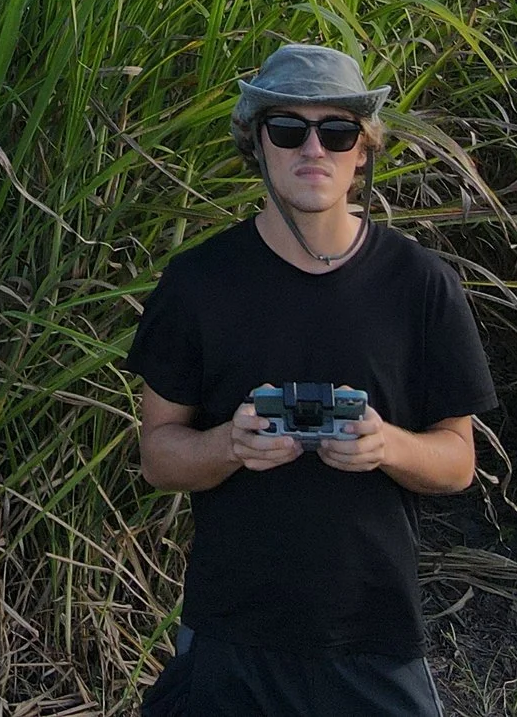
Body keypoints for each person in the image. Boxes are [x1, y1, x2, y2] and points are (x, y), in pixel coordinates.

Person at [127, 43, 496, 717]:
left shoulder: (420, 285)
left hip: (374, 634)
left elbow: (458, 460)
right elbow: (159, 454)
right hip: (230, 633)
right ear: (257, 143)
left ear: (364, 149)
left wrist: (386, 445)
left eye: (337, 130)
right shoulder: (196, 283)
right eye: (289, 128)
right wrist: (229, 446)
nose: (313, 148)